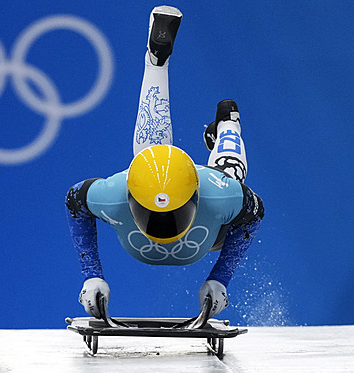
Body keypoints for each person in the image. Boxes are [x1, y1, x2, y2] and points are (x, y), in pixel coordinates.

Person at [65, 5, 264, 320]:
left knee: (228, 177)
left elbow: (253, 214)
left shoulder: (220, 193)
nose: (163, 226)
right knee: (154, 159)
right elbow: (74, 202)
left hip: (212, 216)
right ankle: (160, 65)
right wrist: (91, 275)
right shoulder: (115, 192)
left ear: (196, 195)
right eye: (152, 214)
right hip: (201, 227)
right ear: (131, 198)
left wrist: (220, 279)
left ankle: (227, 123)